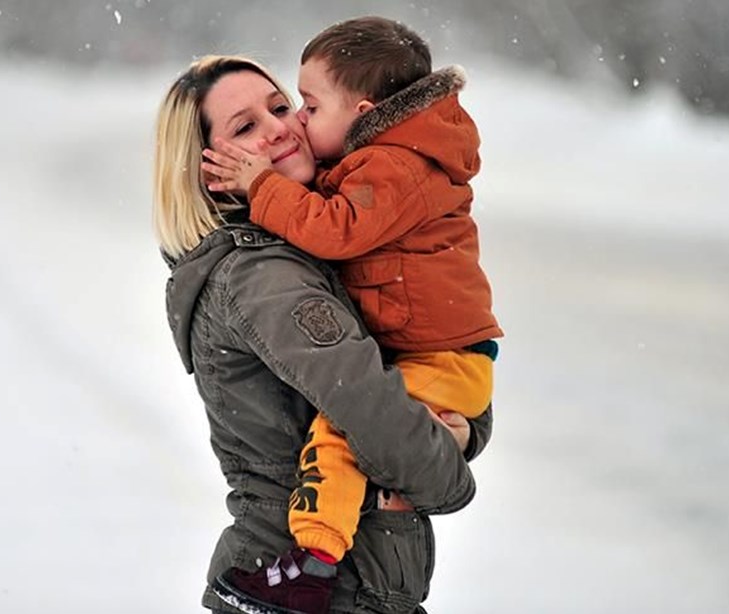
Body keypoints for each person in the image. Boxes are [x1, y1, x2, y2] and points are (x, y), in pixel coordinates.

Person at [154, 54, 493, 614]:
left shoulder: (325, 242)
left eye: (281, 106)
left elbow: (433, 358)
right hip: (305, 589)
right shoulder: (265, 278)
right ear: (206, 171)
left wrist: (463, 432)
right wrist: (448, 471)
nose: (280, 128)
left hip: (349, 588)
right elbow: (384, 423)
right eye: (245, 128)